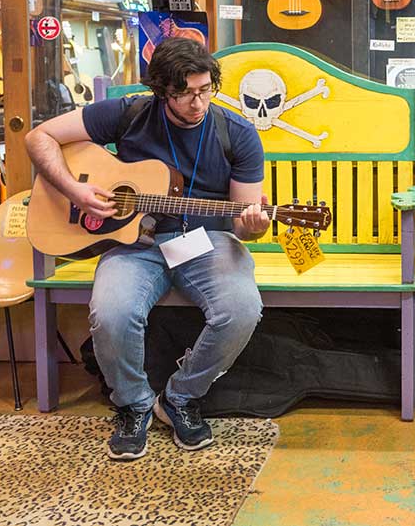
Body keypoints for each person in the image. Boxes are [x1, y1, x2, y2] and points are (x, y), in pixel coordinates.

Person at [25, 38, 267, 461]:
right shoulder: (130, 113)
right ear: (162, 91)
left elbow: (247, 225)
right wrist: (74, 190)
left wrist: (254, 226)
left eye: (206, 89)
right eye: (185, 93)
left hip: (207, 241)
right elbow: (39, 137)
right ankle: (133, 403)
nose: (198, 102)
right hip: (132, 242)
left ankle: (179, 397)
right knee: (111, 312)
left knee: (242, 309)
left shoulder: (238, 133)